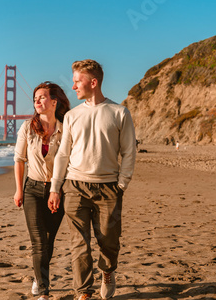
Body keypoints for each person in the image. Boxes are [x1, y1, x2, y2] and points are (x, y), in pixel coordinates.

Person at [48, 59, 137, 300]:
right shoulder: (72, 116)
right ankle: (83, 292)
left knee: (109, 240)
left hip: (109, 187)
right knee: (79, 243)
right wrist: (56, 188)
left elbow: (129, 151)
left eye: (78, 81)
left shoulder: (119, 112)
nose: (74, 86)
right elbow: (63, 154)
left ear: (93, 82)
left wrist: (122, 184)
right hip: (75, 185)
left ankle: (108, 272)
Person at [13, 81, 71, 300]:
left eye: (42, 97)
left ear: (54, 101)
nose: (37, 101)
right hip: (33, 190)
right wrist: (19, 190)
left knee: (48, 240)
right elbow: (19, 160)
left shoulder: (66, 129)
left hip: (58, 191)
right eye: (35, 98)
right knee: (38, 241)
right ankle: (44, 291)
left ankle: (39, 277)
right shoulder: (28, 127)